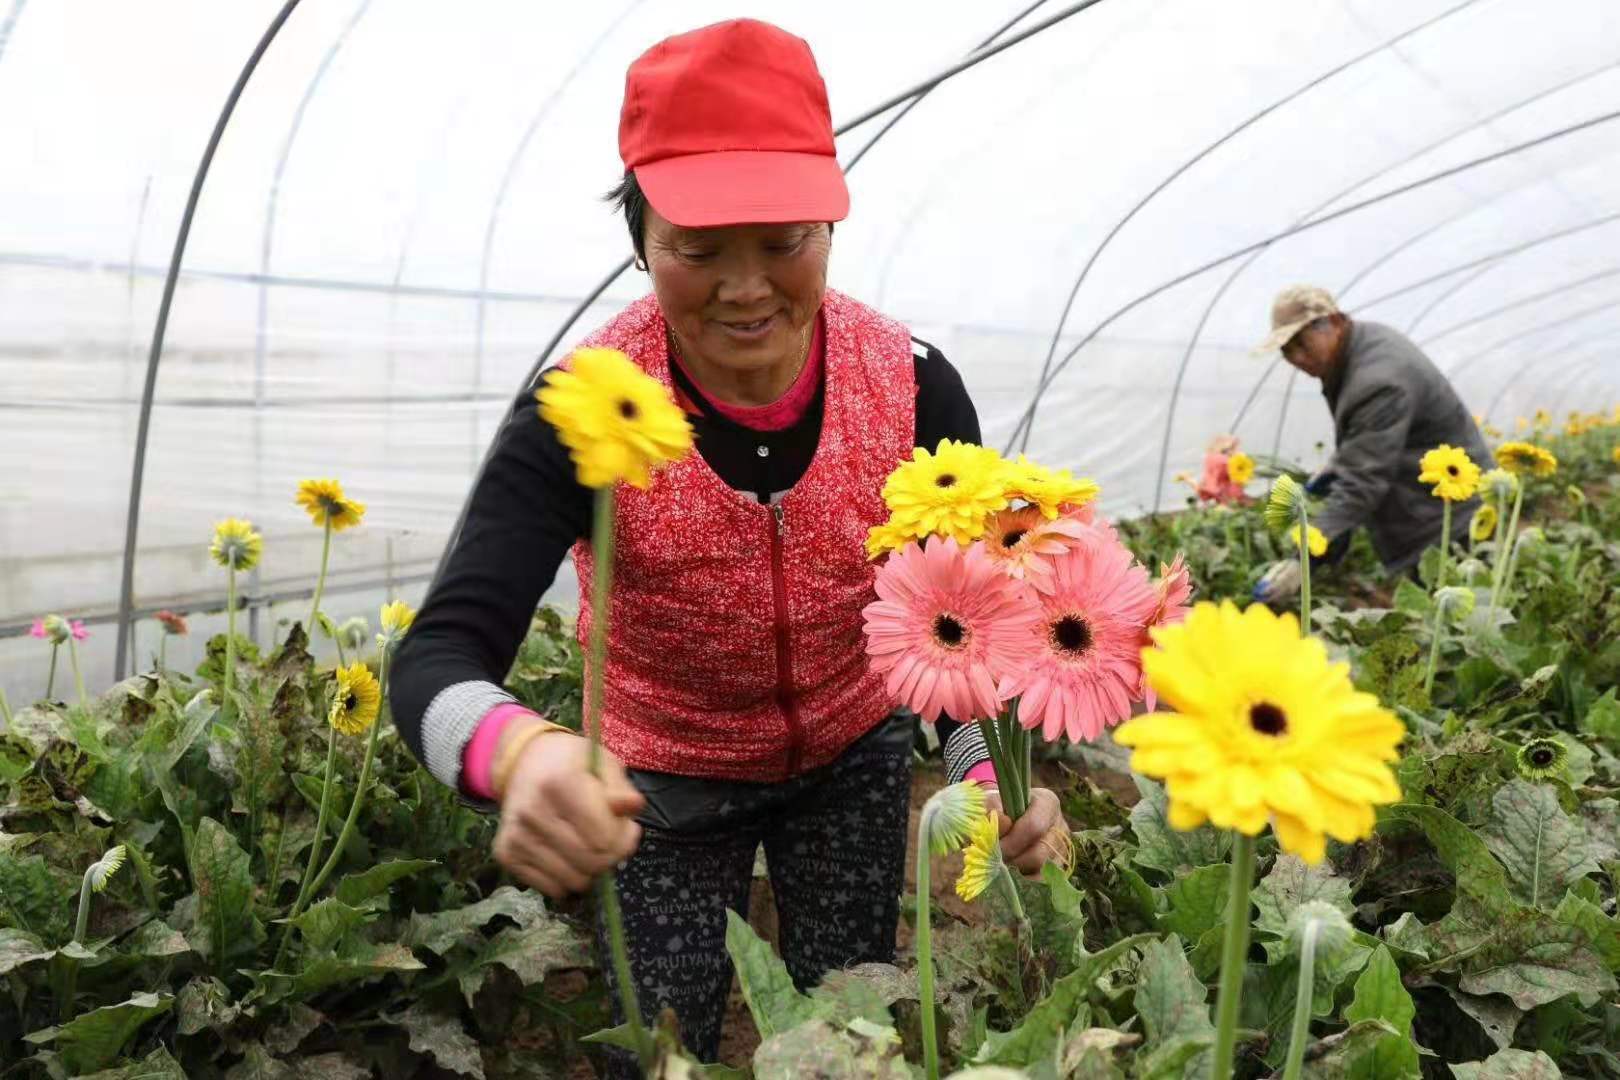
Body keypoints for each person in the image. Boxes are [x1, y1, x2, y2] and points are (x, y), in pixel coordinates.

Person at [390, 19, 1068, 1073]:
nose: (746, 289)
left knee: (849, 1031)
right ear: (642, 243)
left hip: (850, 763)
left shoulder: (915, 387)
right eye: (699, 252)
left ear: (831, 229)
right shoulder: (584, 411)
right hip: (655, 789)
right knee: (662, 1047)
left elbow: (959, 632)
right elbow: (435, 659)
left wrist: (992, 777)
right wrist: (516, 755)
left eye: (784, 243)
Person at [1251, 285, 1491, 602]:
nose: (1296, 358)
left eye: (1301, 343)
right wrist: (1340, 464)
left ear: (1334, 322)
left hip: (1451, 523)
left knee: (1460, 623)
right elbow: (1372, 438)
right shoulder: (1362, 345)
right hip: (1438, 512)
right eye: (1286, 350)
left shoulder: (1377, 380)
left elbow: (1363, 481)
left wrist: (1303, 560)